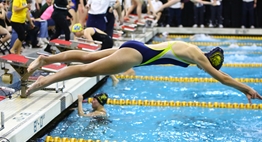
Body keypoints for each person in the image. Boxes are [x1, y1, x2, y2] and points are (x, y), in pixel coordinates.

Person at [26, 40, 262, 104]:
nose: (204, 69)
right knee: (85, 70)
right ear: (209, 60)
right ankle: (40, 82)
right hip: (135, 56)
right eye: (207, 66)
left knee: (86, 57)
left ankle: (45, 59)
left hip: (134, 46)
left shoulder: (190, 47)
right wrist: (247, 89)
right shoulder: (197, 57)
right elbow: (223, 78)